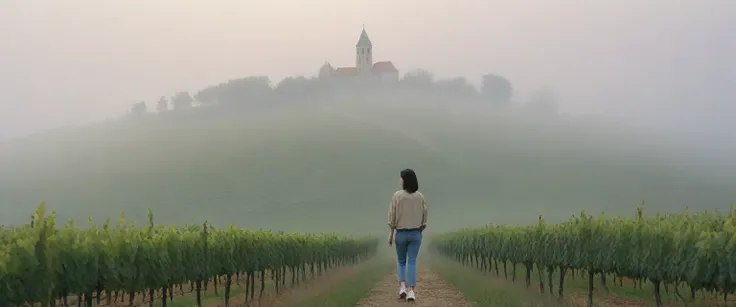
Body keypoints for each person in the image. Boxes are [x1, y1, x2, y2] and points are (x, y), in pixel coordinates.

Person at [387, 168, 427, 301]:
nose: (400, 180)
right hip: (416, 233)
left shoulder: (397, 196)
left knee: (401, 261)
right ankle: (411, 291)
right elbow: (424, 218)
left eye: (401, 177)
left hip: (401, 233)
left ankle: (402, 287)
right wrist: (419, 229)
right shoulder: (420, 196)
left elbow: (392, 216)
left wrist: (391, 233)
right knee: (412, 262)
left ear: (405, 180)